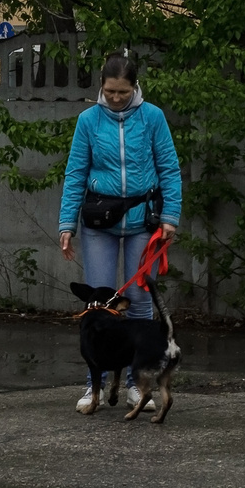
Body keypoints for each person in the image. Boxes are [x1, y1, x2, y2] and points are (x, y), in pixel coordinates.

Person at [56, 53, 183, 413]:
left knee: (140, 305)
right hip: (99, 223)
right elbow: (75, 173)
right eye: (109, 91)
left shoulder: (153, 117)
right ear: (101, 85)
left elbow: (170, 169)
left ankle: (135, 383)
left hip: (144, 222)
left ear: (135, 87)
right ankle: (91, 385)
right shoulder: (88, 121)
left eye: (122, 92)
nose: (115, 98)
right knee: (99, 308)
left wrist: (169, 216)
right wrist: (67, 224)